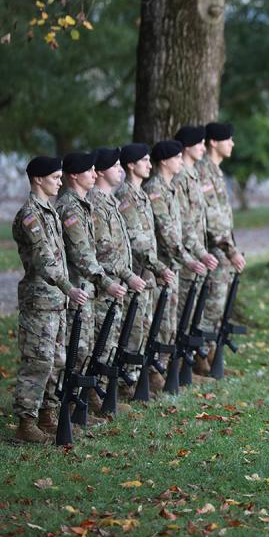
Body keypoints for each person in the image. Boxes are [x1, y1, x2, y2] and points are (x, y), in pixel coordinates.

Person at [12, 156, 88, 443]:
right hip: (39, 300)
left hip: (56, 300)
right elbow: (44, 260)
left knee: (57, 358)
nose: (60, 181)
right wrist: (69, 287)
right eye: (55, 177)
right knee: (38, 360)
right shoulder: (30, 214)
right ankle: (26, 423)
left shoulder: (51, 212)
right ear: (38, 179)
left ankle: (47, 414)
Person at [56, 151, 127, 413]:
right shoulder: (70, 207)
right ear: (74, 174)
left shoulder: (82, 205)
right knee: (75, 351)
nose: (95, 174)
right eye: (90, 170)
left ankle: (82, 401)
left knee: (86, 349)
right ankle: (69, 407)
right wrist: (106, 282)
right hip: (76, 289)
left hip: (85, 289)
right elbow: (83, 255)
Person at [115, 143, 176, 391]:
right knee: (133, 329)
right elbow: (137, 241)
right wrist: (159, 266)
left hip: (147, 274)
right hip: (137, 274)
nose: (150, 165)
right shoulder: (126, 197)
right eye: (145, 160)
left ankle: (141, 378)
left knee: (145, 327)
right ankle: (125, 384)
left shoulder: (140, 194)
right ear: (131, 165)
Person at [89, 148, 146, 400]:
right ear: (101, 171)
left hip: (117, 284)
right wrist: (128, 275)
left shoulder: (110, 201)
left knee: (111, 341)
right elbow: (105, 250)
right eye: (115, 166)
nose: (120, 169)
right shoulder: (95, 204)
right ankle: (92, 395)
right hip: (105, 285)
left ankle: (100, 394)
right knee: (100, 343)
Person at [143, 140, 204, 349]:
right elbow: (166, 232)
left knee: (171, 319)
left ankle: (168, 367)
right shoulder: (155, 189)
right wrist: (188, 260)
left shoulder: (170, 188)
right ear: (163, 161)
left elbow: (184, 226)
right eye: (176, 157)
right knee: (162, 321)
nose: (180, 161)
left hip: (172, 265)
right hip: (162, 265)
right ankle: (156, 371)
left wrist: (196, 254)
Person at [195, 122, 246, 368]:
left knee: (219, 305)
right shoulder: (204, 171)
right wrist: (230, 250)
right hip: (215, 251)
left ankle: (210, 351)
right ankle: (200, 354)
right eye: (228, 139)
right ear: (213, 142)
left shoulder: (215, 171)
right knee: (211, 306)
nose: (232, 143)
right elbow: (212, 220)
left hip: (223, 251)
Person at [172, 125, 216, 373]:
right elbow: (183, 224)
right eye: (199, 143)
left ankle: (189, 365)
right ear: (188, 147)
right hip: (187, 255)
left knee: (191, 312)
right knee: (181, 315)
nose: (203, 147)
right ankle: (178, 367)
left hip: (196, 252)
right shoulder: (180, 178)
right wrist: (198, 253)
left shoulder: (193, 174)